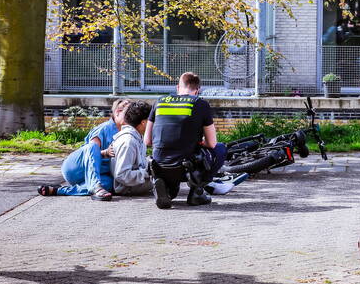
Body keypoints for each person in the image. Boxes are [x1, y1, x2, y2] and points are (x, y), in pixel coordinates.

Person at [144, 72, 227, 208]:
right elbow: (212, 143)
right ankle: (197, 192)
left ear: (178, 88)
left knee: (172, 189)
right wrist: (199, 142)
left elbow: (147, 140)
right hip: (186, 167)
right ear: (197, 90)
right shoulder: (200, 104)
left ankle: (166, 188)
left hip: (159, 165)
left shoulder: (159, 102)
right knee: (220, 149)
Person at [39, 98, 129, 200]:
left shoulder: (127, 133)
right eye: (128, 114)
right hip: (75, 168)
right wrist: (106, 152)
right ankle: (96, 187)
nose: (132, 117)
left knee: (109, 184)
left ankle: (60, 190)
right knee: (93, 146)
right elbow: (91, 151)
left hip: (94, 175)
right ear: (118, 112)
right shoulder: (104, 128)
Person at [111, 100, 153, 196]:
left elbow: (138, 164)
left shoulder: (138, 136)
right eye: (151, 121)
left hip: (136, 183)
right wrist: (148, 173)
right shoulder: (128, 142)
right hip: (126, 188)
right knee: (166, 178)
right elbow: (121, 175)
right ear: (143, 122)